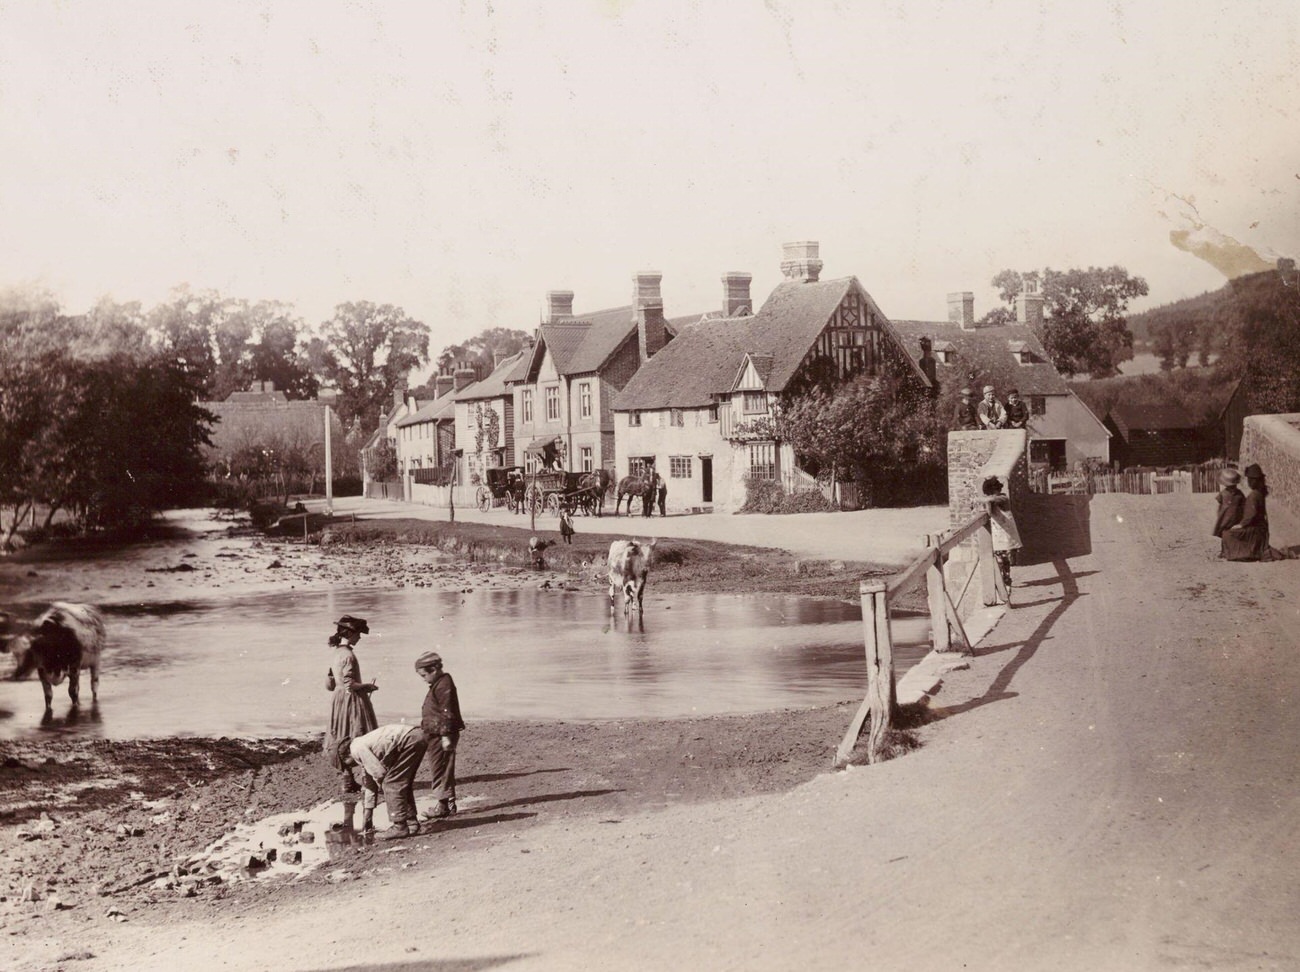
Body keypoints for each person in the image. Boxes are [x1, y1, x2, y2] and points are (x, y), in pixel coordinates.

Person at [338, 724, 429, 840]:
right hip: (416, 735)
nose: (351, 767)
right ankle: (412, 823)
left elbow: (379, 773)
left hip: (409, 739)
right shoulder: (360, 745)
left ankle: (399, 826)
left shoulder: (356, 749)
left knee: (391, 783)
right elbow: (369, 783)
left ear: (346, 756)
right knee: (402, 783)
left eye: (348, 765)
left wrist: (383, 787)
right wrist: (368, 813)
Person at [324, 615, 379, 797]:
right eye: (358, 634)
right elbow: (349, 684)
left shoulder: (337, 653)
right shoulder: (349, 656)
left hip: (338, 700)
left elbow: (330, 684)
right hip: (351, 700)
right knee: (360, 736)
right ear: (350, 634)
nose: (360, 638)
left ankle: (347, 780)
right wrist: (367, 686)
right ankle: (367, 781)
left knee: (340, 737)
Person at [416, 651, 465, 821]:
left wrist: (445, 735)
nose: (423, 679)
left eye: (424, 675)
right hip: (437, 732)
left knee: (440, 769)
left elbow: (447, 711)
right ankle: (449, 803)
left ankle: (442, 806)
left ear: (434, 670)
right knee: (445, 768)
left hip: (441, 734)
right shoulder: (441, 682)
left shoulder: (444, 684)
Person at [981, 476, 1022, 595]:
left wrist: (982, 500)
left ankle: (1006, 583)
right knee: (1000, 558)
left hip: (1006, 534)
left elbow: (989, 502)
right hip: (999, 534)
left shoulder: (1003, 498)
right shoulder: (993, 499)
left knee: (1004, 560)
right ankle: (1002, 583)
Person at [1224, 464, 1271, 562]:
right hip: (1261, 529)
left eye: (1250, 479)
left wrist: (1240, 525)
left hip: (1256, 530)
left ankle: (1247, 553)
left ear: (1255, 481)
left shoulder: (1253, 495)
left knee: (1227, 534)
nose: (1249, 482)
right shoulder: (1259, 493)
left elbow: (1251, 515)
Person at [1212, 468, 1246, 559]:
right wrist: (1219, 515)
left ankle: (1232, 551)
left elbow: (1243, 505)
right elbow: (1219, 505)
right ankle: (1224, 551)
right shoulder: (1223, 493)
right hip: (1225, 518)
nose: (1232, 488)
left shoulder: (1239, 494)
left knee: (1233, 534)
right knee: (1224, 535)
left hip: (1235, 518)